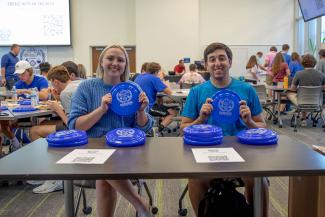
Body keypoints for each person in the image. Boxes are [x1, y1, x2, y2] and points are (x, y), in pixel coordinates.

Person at [180, 42, 269, 217]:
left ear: (230, 61)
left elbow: (262, 127)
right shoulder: (197, 92)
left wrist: (249, 121)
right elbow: (184, 129)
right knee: (196, 180)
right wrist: (201, 119)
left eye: (222, 58)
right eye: (212, 59)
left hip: (244, 151)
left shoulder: (246, 89)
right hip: (207, 151)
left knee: (259, 180)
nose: (217, 63)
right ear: (206, 65)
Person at [67, 45, 154, 217]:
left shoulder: (133, 89)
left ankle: (142, 207)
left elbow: (144, 127)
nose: (115, 63)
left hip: (126, 150)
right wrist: (101, 110)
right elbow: (75, 126)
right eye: (110, 58)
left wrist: (141, 110)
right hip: (91, 150)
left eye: (120, 60)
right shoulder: (86, 87)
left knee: (104, 173)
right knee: (104, 170)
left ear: (125, 65)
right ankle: (141, 206)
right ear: (101, 62)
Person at [29, 65, 82, 193]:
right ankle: (47, 173)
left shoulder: (66, 93)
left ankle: (54, 177)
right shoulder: (76, 85)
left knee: (34, 131)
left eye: (52, 84)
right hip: (88, 126)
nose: (52, 87)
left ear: (56, 81)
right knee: (44, 124)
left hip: (77, 131)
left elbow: (71, 124)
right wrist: (58, 98)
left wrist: (57, 109)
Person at [134, 62, 177, 133]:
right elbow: (169, 92)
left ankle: (156, 124)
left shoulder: (139, 76)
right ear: (157, 71)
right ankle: (158, 130)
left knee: (160, 103)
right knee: (173, 113)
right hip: (148, 107)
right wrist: (163, 79)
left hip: (137, 107)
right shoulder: (154, 78)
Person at [287, 54, 325, 126]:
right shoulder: (321, 74)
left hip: (301, 101)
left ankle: (303, 118)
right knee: (308, 97)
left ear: (302, 63)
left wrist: (299, 89)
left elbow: (293, 89)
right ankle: (305, 117)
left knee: (289, 93)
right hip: (316, 101)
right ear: (314, 63)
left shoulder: (299, 74)